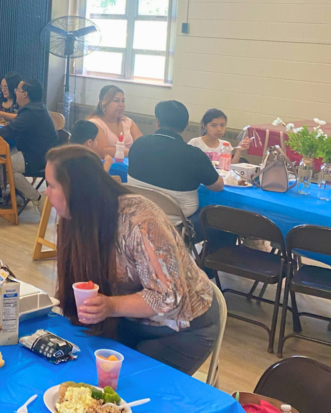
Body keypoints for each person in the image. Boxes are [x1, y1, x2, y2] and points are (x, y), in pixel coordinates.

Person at [45, 145, 220, 375]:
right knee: (76, 370)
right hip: (127, 321)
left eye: (51, 185)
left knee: (123, 389)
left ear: (75, 190)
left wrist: (111, 305)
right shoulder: (77, 216)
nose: (46, 192)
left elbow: (169, 298)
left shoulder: (140, 221)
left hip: (181, 328)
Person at [127, 101, 224, 219]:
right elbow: (218, 186)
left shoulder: (139, 143)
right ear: (186, 125)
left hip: (138, 215)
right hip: (177, 221)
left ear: (157, 122)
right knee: (220, 221)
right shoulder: (194, 155)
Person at [0, 78, 58, 203]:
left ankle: (37, 199)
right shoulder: (36, 107)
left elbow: (11, 130)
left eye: (17, 89)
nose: (15, 92)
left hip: (39, 157)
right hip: (36, 151)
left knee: (7, 164)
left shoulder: (31, 111)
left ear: (25, 94)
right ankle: (8, 190)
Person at [87, 85, 143, 157]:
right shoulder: (95, 123)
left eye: (123, 101)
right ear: (104, 103)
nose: (121, 105)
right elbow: (104, 151)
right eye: (116, 101)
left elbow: (141, 144)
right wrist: (132, 152)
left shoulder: (128, 122)